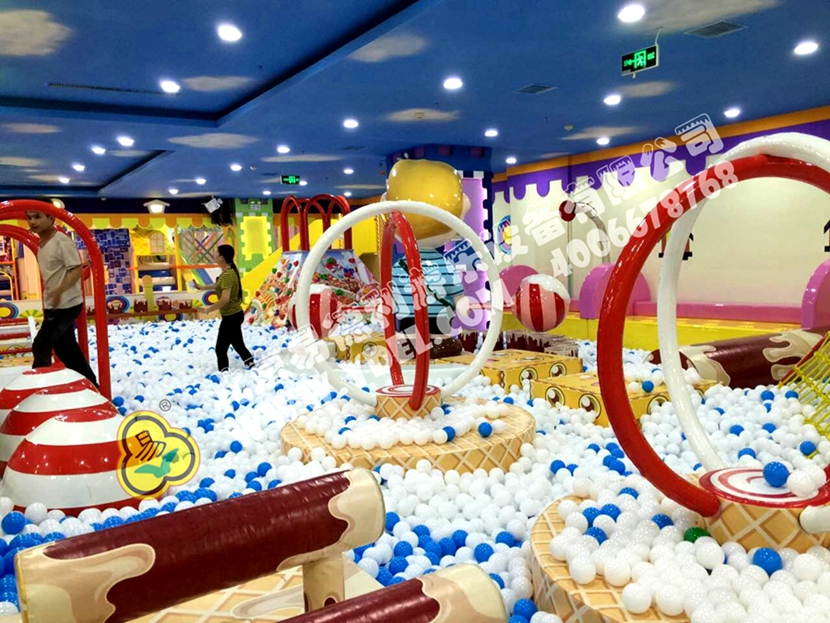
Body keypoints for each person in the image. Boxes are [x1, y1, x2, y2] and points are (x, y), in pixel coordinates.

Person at [26, 210, 98, 386]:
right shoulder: (42, 243)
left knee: (41, 345)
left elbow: (77, 269)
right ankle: (90, 384)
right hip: (55, 303)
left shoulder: (61, 241)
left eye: (37, 216)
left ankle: (39, 386)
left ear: (51, 218)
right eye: (29, 218)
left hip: (66, 304)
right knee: (66, 349)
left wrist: (59, 290)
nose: (32, 222)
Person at [193, 244, 254, 372]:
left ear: (221, 257)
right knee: (238, 344)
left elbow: (224, 299)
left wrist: (208, 310)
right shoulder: (228, 271)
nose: (214, 255)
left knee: (220, 349)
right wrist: (202, 287)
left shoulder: (227, 275)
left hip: (231, 317)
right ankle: (250, 363)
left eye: (216, 253)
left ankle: (224, 373)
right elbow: (219, 285)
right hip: (234, 315)